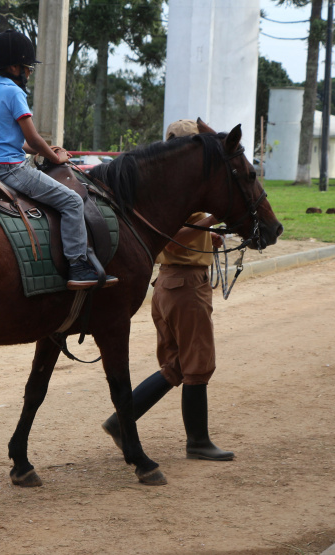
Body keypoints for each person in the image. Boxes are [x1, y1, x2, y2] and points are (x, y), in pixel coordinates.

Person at [101, 119, 234, 461]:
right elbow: (175, 233)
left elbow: (172, 237)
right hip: (186, 286)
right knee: (198, 364)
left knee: (175, 366)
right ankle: (198, 442)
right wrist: (211, 220)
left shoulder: (158, 189)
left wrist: (210, 236)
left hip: (166, 284)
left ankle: (121, 421)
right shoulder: (186, 191)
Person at [0, 30, 117, 290]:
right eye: (28, 68)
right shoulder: (14, 92)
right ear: (14, 66)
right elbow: (34, 137)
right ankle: (77, 265)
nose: (29, 74)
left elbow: (18, 142)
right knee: (72, 201)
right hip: (11, 170)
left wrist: (40, 151)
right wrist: (55, 156)